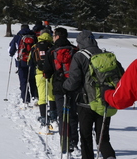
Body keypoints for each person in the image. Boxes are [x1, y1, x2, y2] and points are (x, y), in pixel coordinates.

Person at [63, 30, 123, 159]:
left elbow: (74, 80)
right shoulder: (106, 55)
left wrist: (64, 86)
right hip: (105, 101)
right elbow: (121, 75)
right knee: (103, 137)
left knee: (86, 136)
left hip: (86, 103)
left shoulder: (79, 56)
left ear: (80, 43)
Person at [43, 27, 79, 152]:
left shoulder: (52, 51)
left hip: (59, 86)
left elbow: (47, 71)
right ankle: (74, 141)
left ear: (57, 36)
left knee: (62, 114)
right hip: (73, 86)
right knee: (73, 113)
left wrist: (48, 75)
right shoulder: (74, 50)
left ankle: (65, 142)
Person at [31, 30, 57, 130]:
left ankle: (44, 118)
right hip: (51, 73)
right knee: (51, 95)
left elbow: (31, 60)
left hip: (39, 74)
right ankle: (54, 117)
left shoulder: (35, 46)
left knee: (42, 96)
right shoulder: (52, 46)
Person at [8, 24, 38, 104]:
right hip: (32, 61)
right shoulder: (34, 36)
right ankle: (35, 96)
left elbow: (12, 49)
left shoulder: (17, 37)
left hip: (21, 62)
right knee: (32, 79)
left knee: (23, 80)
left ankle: (25, 98)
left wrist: (11, 54)